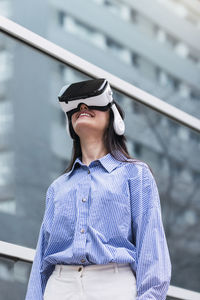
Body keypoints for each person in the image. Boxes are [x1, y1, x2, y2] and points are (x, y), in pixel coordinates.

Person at [25, 78, 171, 300]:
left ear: (115, 118)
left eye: (91, 104)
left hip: (113, 287)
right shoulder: (58, 188)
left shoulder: (136, 175)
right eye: (77, 107)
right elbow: (41, 261)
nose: (83, 108)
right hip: (59, 287)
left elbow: (152, 251)